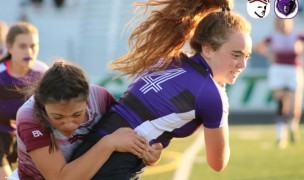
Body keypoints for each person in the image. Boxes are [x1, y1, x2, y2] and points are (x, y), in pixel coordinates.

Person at [71, 0, 252, 179]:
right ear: (207, 50)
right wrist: (222, 106)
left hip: (91, 146)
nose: (243, 64)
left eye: (246, 56)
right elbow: (218, 163)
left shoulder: (168, 57)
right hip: (118, 161)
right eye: (236, 55)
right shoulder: (211, 94)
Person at [15, 60, 162, 179]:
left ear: (87, 100)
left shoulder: (99, 97)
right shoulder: (29, 117)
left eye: (77, 114)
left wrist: (149, 154)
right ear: (43, 104)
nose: (68, 124)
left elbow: (129, 136)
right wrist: (108, 143)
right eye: (58, 117)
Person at [0, 21, 48, 179]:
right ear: (9, 46)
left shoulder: (43, 72)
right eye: (22, 46)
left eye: (34, 45)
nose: (29, 51)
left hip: (30, 136)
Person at [255, 18, 304, 149]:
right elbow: (258, 46)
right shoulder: (272, 36)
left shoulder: (297, 35)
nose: (283, 25)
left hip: (294, 70)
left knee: (294, 108)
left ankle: (293, 126)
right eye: (281, 22)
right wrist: (269, 54)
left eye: (286, 22)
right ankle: (280, 136)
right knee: (281, 102)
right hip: (277, 70)